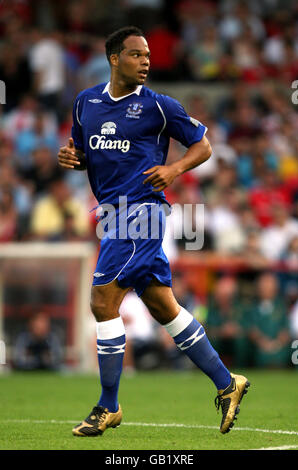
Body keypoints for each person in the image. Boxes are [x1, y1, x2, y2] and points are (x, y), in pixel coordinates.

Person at [58, 26, 250, 437]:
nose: (145, 61)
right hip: (111, 215)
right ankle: (227, 382)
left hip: (142, 213)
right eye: (136, 54)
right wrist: (72, 158)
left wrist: (174, 168)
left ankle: (107, 406)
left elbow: (203, 145)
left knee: (102, 301)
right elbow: (83, 153)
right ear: (114, 58)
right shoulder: (85, 102)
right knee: (163, 307)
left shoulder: (159, 106)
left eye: (147, 55)